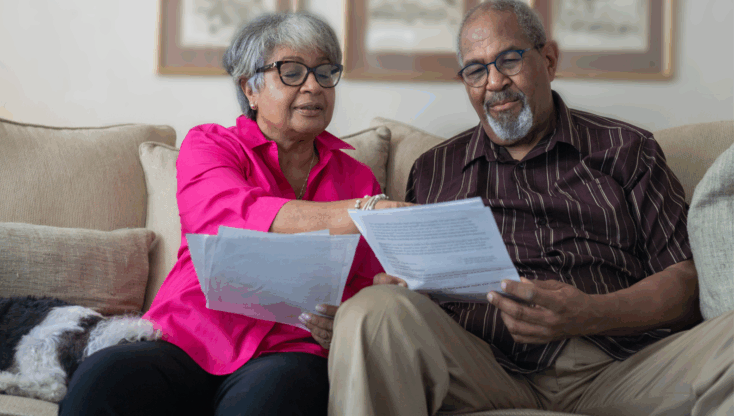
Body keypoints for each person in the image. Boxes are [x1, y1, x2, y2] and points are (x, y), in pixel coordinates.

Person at [327, 1, 734, 415]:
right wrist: (400, 294)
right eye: (476, 70)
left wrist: (589, 314)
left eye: (509, 60)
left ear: (549, 60)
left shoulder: (628, 150)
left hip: (621, 367)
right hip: (485, 368)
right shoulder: (434, 170)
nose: (495, 82)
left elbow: (684, 280)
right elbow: (416, 291)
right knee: (372, 311)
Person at [59, 12, 406, 416]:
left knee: (274, 398)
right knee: (103, 378)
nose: (314, 85)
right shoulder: (210, 145)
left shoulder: (357, 177)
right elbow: (229, 216)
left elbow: (368, 280)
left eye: (325, 72)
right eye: (292, 72)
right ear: (250, 88)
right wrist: (362, 211)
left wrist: (354, 313)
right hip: (188, 336)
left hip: (291, 349)